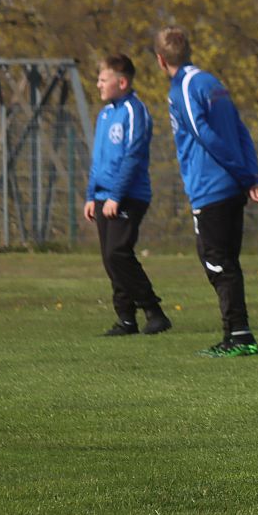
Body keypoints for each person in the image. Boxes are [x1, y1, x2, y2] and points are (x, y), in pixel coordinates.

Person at [154, 27, 258, 358]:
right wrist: (250, 174)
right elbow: (240, 130)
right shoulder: (211, 82)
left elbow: (204, 135)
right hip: (231, 184)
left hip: (211, 186)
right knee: (225, 260)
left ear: (161, 60)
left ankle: (239, 335)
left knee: (217, 262)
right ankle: (237, 333)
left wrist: (244, 174)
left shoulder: (183, 89)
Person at [85, 54, 172, 337]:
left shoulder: (135, 111)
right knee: (110, 259)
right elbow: (98, 160)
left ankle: (154, 312)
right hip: (103, 197)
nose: (98, 84)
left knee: (118, 253)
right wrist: (91, 195)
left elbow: (132, 156)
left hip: (127, 196)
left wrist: (116, 195)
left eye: (103, 79)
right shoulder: (105, 114)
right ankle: (126, 319)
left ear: (121, 82)